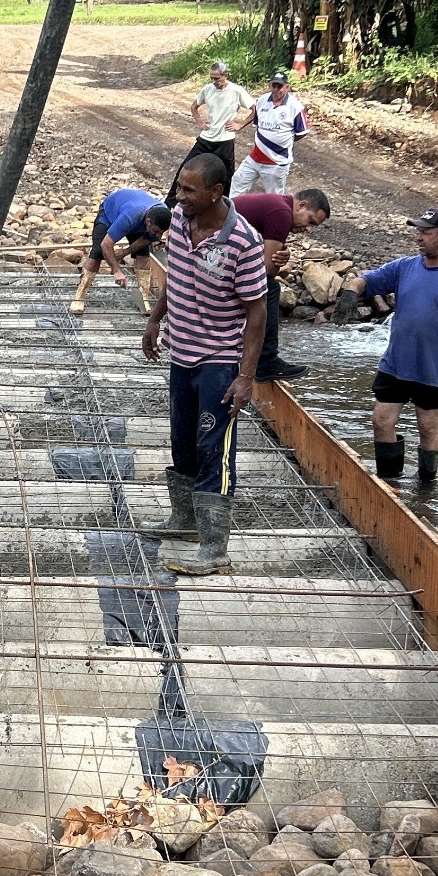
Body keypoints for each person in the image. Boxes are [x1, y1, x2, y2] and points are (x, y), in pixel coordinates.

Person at [139, 153, 268, 574]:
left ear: (216, 192)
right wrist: (156, 319)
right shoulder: (178, 218)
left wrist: (246, 377)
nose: (179, 197)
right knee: (183, 440)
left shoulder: (242, 242)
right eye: (179, 187)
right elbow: (176, 274)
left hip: (221, 360)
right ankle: (185, 521)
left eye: (189, 190)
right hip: (183, 351)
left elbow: (257, 313)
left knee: (215, 447)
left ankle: (215, 548)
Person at [344, 207, 438, 484]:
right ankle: (390, 482)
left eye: (426, 231)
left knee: (427, 427)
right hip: (396, 363)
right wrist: (352, 292)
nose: (419, 237)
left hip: (434, 367)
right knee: (381, 420)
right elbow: (367, 279)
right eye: (418, 231)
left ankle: (426, 485)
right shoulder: (405, 267)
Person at [231, 188, 331, 383]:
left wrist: (279, 260)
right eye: (310, 221)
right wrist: (277, 262)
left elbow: (265, 266)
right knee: (270, 289)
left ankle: (249, 347)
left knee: (267, 287)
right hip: (214, 253)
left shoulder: (277, 205)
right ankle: (266, 361)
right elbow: (266, 274)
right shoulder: (282, 213)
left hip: (216, 249)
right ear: (302, 205)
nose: (309, 229)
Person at [70, 187, 169, 316]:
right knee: (98, 253)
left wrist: (124, 252)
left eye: (160, 232)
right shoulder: (131, 215)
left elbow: (148, 238)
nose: (158, 235)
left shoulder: (162, 214)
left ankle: (144, 297)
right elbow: (106, 244)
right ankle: (79, 296)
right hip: (109, 214)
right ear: (148, 221)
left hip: (138, 218)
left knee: (143, 255)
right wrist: (116, 270)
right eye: (156, 231)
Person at [167, 62, 254, 202]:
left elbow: (255, 109)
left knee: (225, 176)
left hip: (225, 140)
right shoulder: (207, 89)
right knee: (185, 168)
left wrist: (241, 124)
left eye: (217, 78)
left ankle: (223, 208)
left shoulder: (236, 91)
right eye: (212, 78)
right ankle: (170, 204)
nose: (214, 82)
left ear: (226, 76)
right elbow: (194, 106)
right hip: (206, 138)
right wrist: (199, 121)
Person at [230, 71, 309, 195]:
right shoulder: (262, 100)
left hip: (277, 162)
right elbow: (257, 124)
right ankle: (231, 212)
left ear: (287, 87)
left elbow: (302, 132)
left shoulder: (295, 106)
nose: (276, 90)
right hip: (255, 158)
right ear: (269, 85)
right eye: (274, 86)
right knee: (237, 182)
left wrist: (286, 140)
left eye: (280, 86)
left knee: (274, 197)